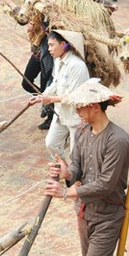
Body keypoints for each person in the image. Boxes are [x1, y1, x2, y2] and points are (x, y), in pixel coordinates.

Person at [43, 79, 129, 256]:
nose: (78, 112)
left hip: (108, 215)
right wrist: (66, 174)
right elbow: (77, 169)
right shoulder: (81, 132)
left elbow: (105, 184)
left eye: (80, 108)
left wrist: (65, 192)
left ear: (94, 106)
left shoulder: (118, 140)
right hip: (84, 212)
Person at [28, 30, 90, 160]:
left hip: (77, 117)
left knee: (76, 155)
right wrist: (41, 96)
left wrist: (50, 99)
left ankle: (73, 177)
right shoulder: (57, 61)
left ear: (63, 44)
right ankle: (62, 165)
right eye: (48, 45)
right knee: (51, 143)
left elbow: (73, 96)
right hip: (61, 114)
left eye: (52, 45)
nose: (49, 49)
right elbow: (55, 84)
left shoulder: (77, 66)